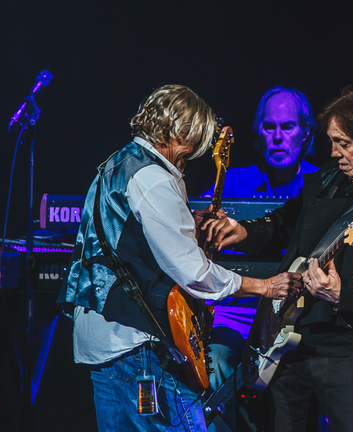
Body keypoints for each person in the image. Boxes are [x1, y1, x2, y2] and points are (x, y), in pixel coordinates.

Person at [56, 85, 302, 432]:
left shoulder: (115, 164)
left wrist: (188, 219)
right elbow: (195, 273)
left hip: (101, 343)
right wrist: (263, 286)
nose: (187, 162)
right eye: (189, 150)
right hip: (134, 347)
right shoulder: (154, 177)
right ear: (177, 132)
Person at [200, 86, 353, 432]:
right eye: (331, 142)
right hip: (286, 340)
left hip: (345, 349)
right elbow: (284, 222)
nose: (334, 153)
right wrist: (245, 232)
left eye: (344, 144)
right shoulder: (327, 179)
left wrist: (342, 294)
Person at [200, 87, 318, 432]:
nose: (278, 137)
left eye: (288, 127)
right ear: (258, 134)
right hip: (238, 311)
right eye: (269, 128)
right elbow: (196, 226)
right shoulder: (235, 180)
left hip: (295, 317)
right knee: (215, 362)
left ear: (305, 133)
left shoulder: (318, 184)